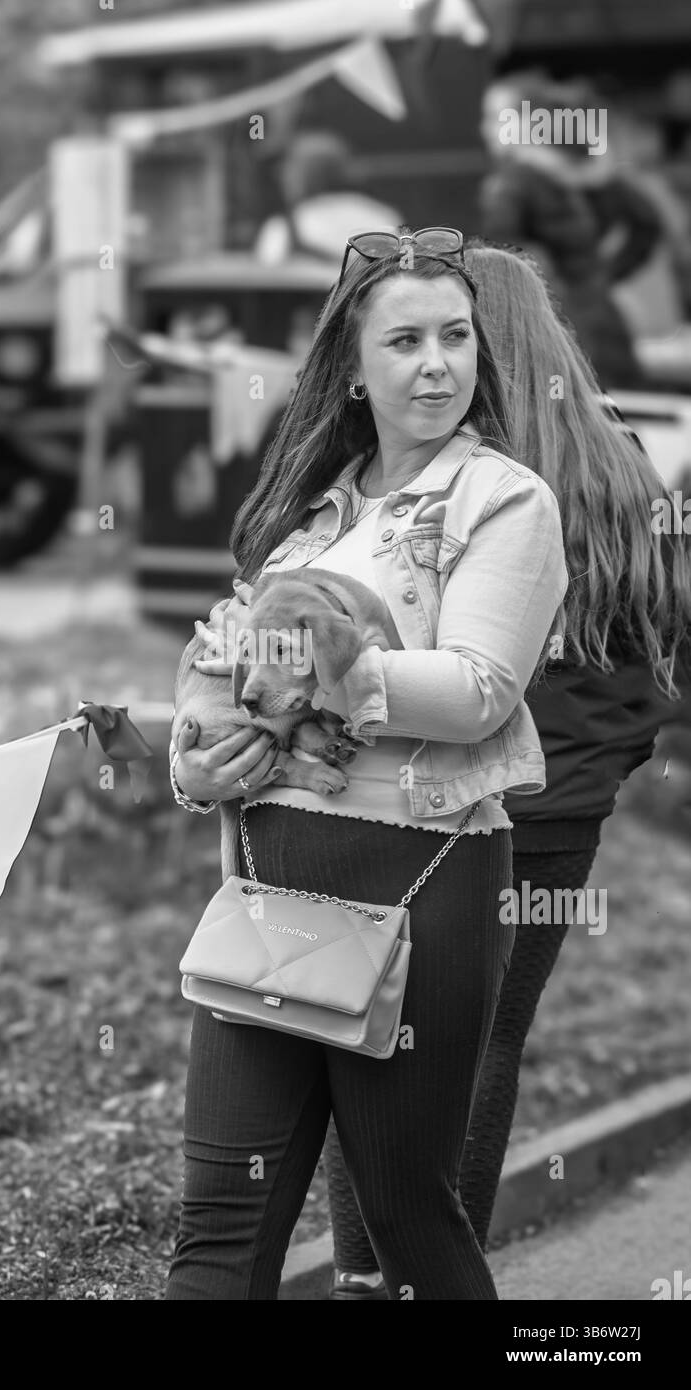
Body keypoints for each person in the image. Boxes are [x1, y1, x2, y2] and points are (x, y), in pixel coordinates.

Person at [165, 227, 568, 1300]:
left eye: (453, 336)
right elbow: (221, 664)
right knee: (218, 1220)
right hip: (264, 890)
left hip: (420, 885)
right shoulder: (306, 512)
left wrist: (333, 675)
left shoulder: (506, 501)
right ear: (353, 368)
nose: (435, 363)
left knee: (403, 1217)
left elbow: (482, 688)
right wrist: (196, 760)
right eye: (404, 341)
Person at [319, 242, 691, 1299]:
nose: (434, 355)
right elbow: (658, 641)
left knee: (368, 1030)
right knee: (482, 1044)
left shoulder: (445, 479)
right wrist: (604, 767)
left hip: (431, 789)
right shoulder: (614, 456)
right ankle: (424, 1278)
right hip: (557, 811)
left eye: (450, 330)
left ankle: (366, 1278)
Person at [478, 75, 660, 389]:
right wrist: (604, 275)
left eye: (496, 118)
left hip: (555, 330)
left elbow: (496, 253)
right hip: (602, 322)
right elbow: (648, 224)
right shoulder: (591, 172)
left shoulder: (514, 182)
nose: (485, 129)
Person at [255, 130, 403, 266]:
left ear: (306, 175)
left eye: (289, 168)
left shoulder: (286, 226)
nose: (282, 176)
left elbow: (267, 280)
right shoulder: (383, 215)